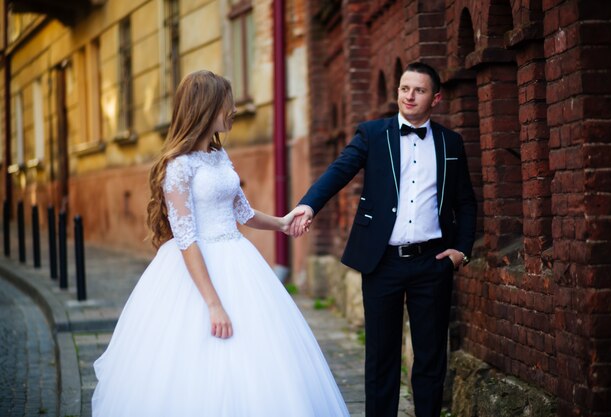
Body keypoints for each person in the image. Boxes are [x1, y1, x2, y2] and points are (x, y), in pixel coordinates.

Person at [91, 70, 349, 417]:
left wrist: (282, 223)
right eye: (227, 104)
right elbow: (186, 239)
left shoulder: (218, 156)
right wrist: (213, 304)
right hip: (198, 270)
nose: (233, 110)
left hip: (239, 260)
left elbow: (241, 212)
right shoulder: (178, 167)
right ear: (206, 108)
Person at [290, 62, 477, 417]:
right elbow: (340, 170)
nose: (409, 96)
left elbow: (465, 201)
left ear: (435, 98)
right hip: (383, 261)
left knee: (430, 355)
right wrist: (309, 206)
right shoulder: (374, 134)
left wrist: (461, 251)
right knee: (380, 357)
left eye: (419, 90)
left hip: (433, 261)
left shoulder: (450, 143)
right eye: (404, 88)